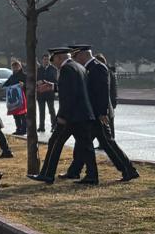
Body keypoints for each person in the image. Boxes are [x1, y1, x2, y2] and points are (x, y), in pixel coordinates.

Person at [65, 45, 139, 184]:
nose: (74, 60)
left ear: (81, 55)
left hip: (99, 114)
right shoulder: (89, 67)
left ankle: (128, 170)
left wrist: (102, 113)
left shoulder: (97, 67)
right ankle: (75, 171)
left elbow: (102, 92)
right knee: (84, 144)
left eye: (75, 56)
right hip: (92, 113)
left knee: (107, 144)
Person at [32, 48, 100, 185]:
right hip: (82, 114)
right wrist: (54, 86)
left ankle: (47, 174)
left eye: (54, 60)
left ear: (59, 58)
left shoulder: (66, 69)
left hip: (71, 116)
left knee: (55, 143)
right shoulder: (78, 67)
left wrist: (62, 115)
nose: (53, 64)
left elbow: (68, 95)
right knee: (85, 146)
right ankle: (92, 176)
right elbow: (72, 88)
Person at [2, 59, 29, 136]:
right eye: (13, 67)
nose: (15, 68)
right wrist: (3, 87)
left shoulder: (24, 75)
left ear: (20, 67)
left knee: (23, 114)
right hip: (13, 100)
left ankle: (24, 129)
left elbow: (29, 85)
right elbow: (5, 85)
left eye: (17, 67)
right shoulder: (11, 77)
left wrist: (23, 85)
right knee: (15, 114)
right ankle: (18, 129)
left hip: (22, 98)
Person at [34, 54, 58, 133]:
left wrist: (44, 81)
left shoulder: (53, 69)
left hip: (49, 93)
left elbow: (55, 80)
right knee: (41, 111)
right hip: (40, 93)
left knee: (51, 110)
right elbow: (35, 79)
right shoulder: (39, 69)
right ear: (42, 60)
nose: (46, 61)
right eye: (44, 59)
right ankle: (41, 127)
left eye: (47, 59)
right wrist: (37, 82)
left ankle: (54, 126)